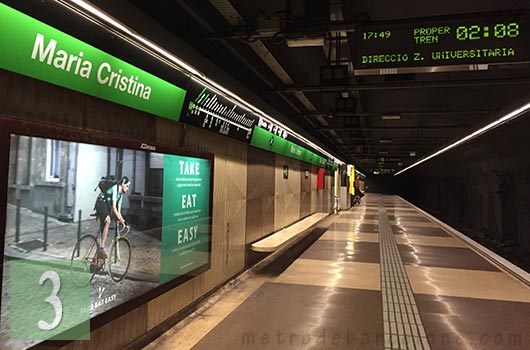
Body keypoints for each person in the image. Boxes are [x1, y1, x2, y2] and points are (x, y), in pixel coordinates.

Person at [95, 176, 130, 257]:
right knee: (108, 221)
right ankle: (101, 248)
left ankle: (98, 258)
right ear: (122, 184)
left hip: (106, 206)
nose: (128, 188)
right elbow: (114, 207)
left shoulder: (121, 195)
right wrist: (119, 218)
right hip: (101, 202)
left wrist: (124, 222)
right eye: (127, 186)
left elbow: (119, 212)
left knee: (105, 225)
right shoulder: (115, 188)